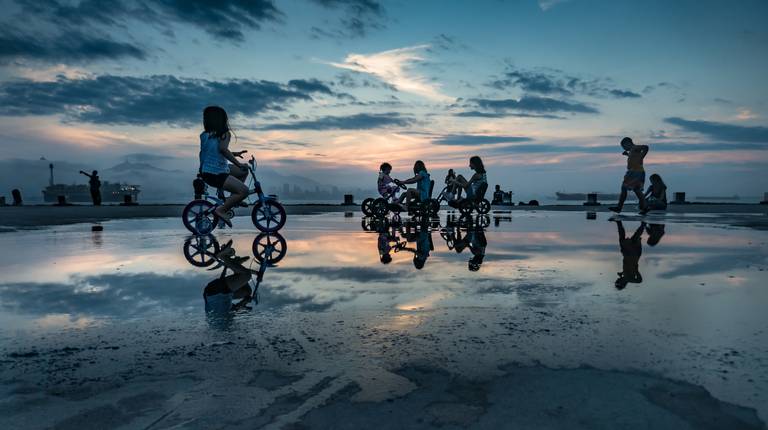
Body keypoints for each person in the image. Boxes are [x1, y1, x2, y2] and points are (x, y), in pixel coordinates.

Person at [198, 106, 249, 226]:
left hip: (208, 171)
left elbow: (206, 152)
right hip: (217, 173)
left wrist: (234, 154)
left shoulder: (204, 135)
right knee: (244, 191)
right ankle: (221, 210)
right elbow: (223, 150)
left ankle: (233, 200)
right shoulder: (225, 134)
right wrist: (238, 163)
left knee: (242, 172)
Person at [610, 137, 648, 213]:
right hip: (639, 172)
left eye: (624, 147)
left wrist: (642, 156)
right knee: (637, 190)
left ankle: (619, 207)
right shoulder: (632, 151)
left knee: (624, 188)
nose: (624, 148)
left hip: (634, 172)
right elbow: (635, 158)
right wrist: (627, 155)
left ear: (628, 143)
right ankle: (645, 207)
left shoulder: (634, 148)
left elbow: (646, 147)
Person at [614, 220, 644, 290]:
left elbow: (629, 269)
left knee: (634, 238)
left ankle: (643, 225)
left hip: (630, 256)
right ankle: (619, 222)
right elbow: (639, 280)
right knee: (624, 239)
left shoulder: (626, 277)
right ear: (622, 283)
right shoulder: (629, 279)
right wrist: (636, 271)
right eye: (617, 282)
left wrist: (622, 273)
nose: (616, 280)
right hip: (631, 256)